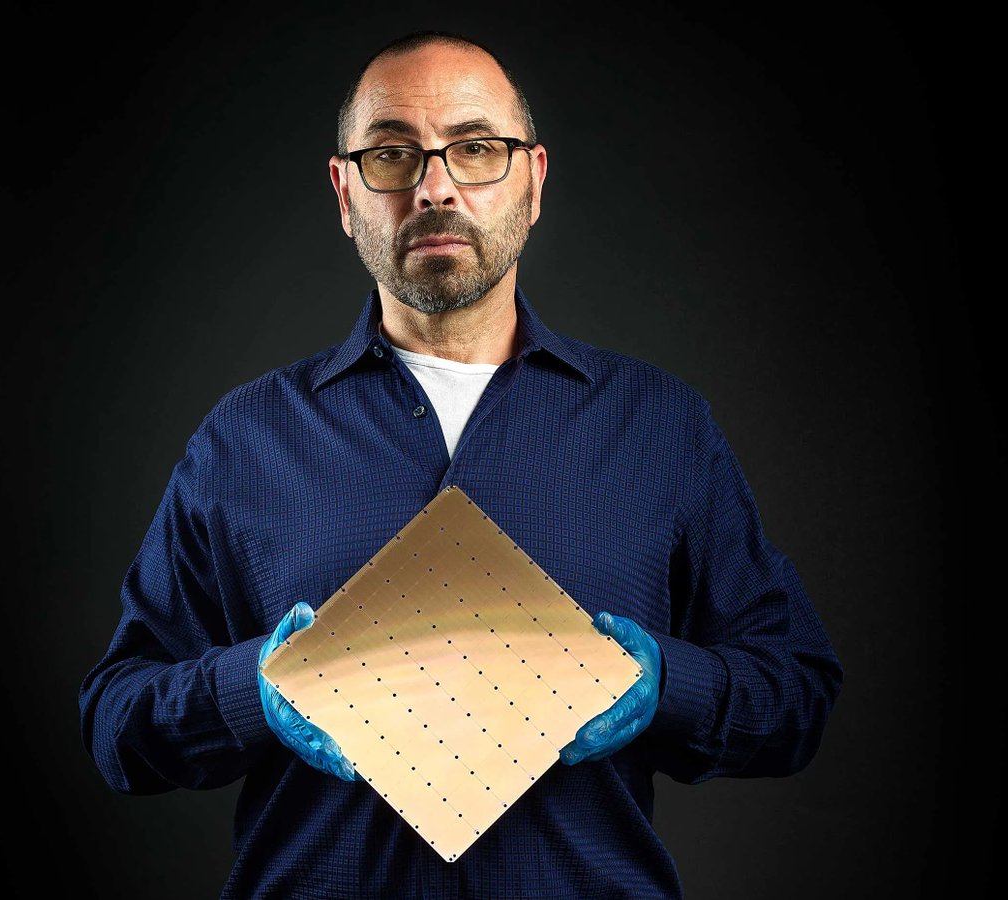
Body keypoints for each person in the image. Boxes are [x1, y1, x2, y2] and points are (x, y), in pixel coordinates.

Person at [78, 30, 843, 899]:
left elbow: (798, 696)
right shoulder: (243, 439)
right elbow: (114, 725)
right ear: (344, 191)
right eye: (392, 154)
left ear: (535, 180)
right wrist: (248, 692)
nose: (434, 187)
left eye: (475, 149)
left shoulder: (660, 426)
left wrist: (668, 686)